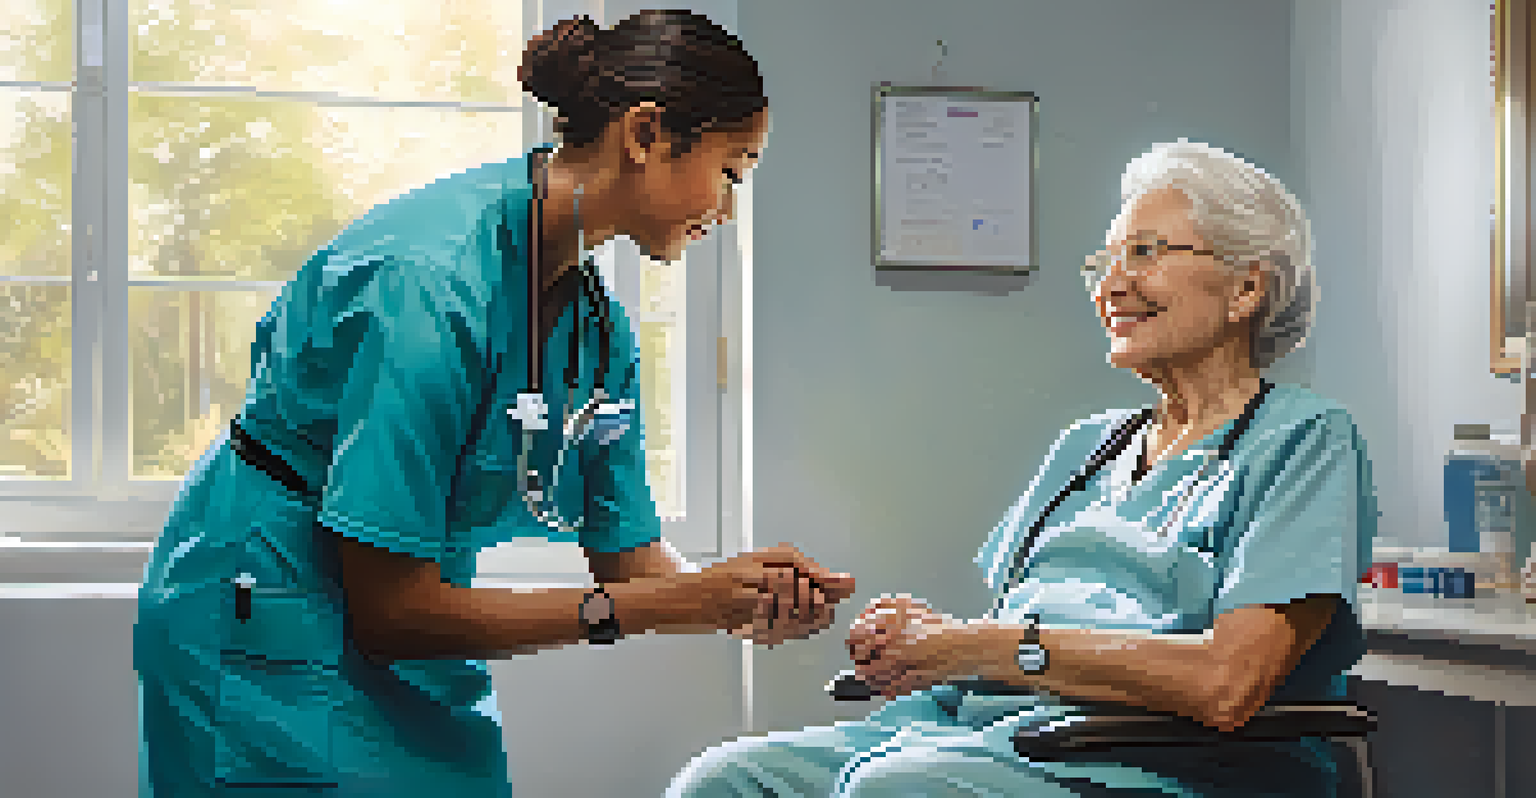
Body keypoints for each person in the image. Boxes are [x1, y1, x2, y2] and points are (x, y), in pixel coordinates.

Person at [134, 11, 855, 797]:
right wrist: (658, 605)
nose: (727, 209)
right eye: (732, 171)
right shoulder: (429, 286)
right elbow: (391, 613)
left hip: (417, 621)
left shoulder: (597, 329)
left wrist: (735, 599)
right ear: (646, 134)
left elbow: (631, 563)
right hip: (267, 608)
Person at [667, 139, 1379, 798]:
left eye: (1145, 252)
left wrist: (975, 646)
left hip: (1157, 764)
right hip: (984, 735)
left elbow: (1229, 682)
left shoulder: (1303, 440)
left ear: (1247, 289)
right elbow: (1029, 624)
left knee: (896, 791)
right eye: (1104, 263)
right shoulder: (1087, 448)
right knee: (727, 780)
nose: (1111, 286)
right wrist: (930, 641)